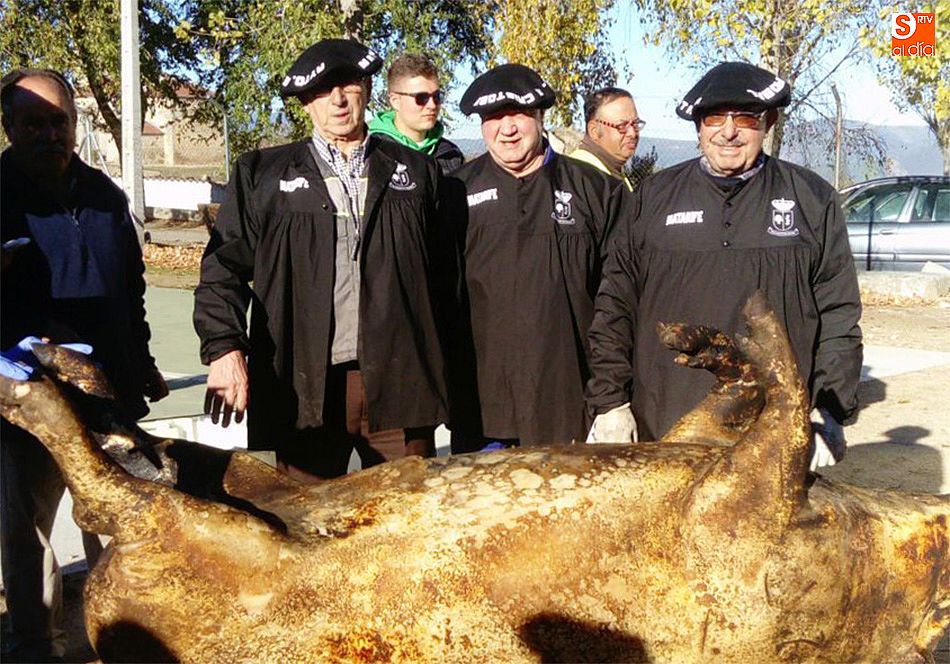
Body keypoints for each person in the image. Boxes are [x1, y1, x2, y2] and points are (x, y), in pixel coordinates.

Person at [585, 62, 863, 471]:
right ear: (699, 126)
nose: (728, 131)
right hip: (667, 426)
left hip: (772, 430)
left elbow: (838, 314)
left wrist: (829, 410)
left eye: (745, 118)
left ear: (768, 122)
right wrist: (610, 402)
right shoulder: (652, 199)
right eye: (715, 117)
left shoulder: (811, 201)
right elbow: (615, 305)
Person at [193, 39, 448, 482]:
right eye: (322, 89)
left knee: (407, 526)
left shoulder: (419, 173)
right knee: (304, 528)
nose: (337, 98)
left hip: (400, 383)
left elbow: (447, 282)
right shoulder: (263, 176)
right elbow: (222, 268)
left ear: (366, 89)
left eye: (347, 84)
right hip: (304, 385)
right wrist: (224, 348)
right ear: (306, 101)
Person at [0, 67, 168, 662]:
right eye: (34, 123)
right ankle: (34, 645)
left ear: (74, 124)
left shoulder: (104, 195)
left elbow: (133, 286)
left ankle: (127, 635)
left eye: (59, 122)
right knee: (31, 528)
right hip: (30, 399)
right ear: (9, 127)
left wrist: (142, 360)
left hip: (108, 392)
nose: (49, 134)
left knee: (119, 517)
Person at [443, 64, 628, 451]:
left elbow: (619, 299)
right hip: (482, 408)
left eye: (517, 115)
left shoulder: (598, 191)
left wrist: (612, 395)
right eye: (493, 117)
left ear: (540, 117)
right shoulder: (454, 193)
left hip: (569, 403)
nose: (506, 128)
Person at [369, 53, 464, 174]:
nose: (432, 105)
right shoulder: (372, 152)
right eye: (421, 98)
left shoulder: (451, 155)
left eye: (436, 97)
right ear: (395, 101)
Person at [569, 87, 643, 191]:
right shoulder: (579, 177)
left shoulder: (611, 172)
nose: (632, 133)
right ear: (594, 131)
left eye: (635, 124)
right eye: (622, 126)